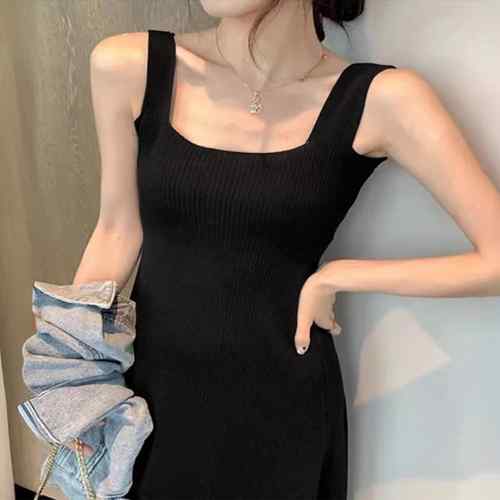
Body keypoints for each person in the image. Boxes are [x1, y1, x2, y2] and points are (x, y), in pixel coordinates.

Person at [73, 1, 500, 498]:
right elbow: (117, 231)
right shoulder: (130, 67)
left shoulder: (381, 98)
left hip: (282, 414)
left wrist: (341, 275)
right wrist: (74, 383)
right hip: (152, 404)